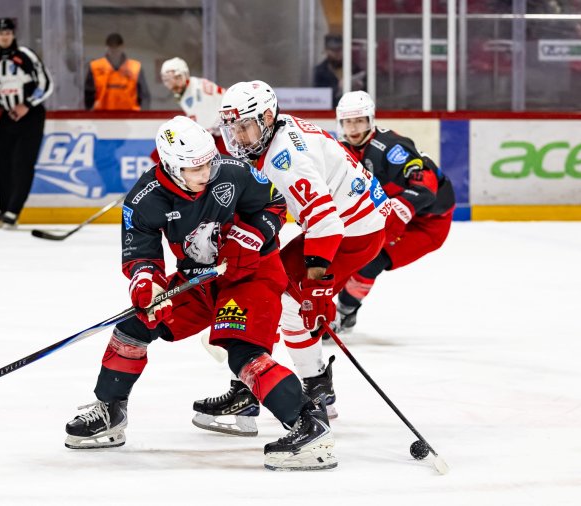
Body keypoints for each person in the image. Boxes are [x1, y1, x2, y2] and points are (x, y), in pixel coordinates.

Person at [64, 116, 337, 471]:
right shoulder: (144, 200)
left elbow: (273, 203)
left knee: (243, 353)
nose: (206, 172)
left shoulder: (231, 171)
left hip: (252, 274)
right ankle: (110, 411)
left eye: (208, 163)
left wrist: (251, 237)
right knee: (134, 326)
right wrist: (147, 284)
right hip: (199, 279)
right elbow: (140, 256)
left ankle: (308, 425)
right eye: (195, 168)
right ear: (170, 166)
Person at [191, 80, 388, 436]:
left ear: (267, 118)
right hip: (346, 222)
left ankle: (313, 389)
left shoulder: (286, 159)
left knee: (285, 302)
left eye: (245, 127)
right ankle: (260, 389)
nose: (238, 137)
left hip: (353, 231)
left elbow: (325, 222)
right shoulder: (276, 134)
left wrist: (315, 287)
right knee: (262, 289)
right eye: (233, 128)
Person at [331, 91, 456, 332]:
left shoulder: (391, 148)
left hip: (428, 223)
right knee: (344, 252)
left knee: (372, 259)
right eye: (348, 122)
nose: (353, 128)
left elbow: (425, 186)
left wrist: (397, 210)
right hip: (391, 213)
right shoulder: (340, 150)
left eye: (359, 121)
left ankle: (345, 312)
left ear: (371, 120)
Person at [0, 18, 53, 229]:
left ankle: (14, 210)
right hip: (8, 115)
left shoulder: (26, 55)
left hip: (31, 116)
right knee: (0, 161)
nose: (4, 37)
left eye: (8, 33)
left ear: (13, 35)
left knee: (22, 163)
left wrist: (27, 105)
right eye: (1, 33)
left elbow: (46, 83)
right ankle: (3, 207)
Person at [154, 57, 227, 161]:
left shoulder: (196, 95)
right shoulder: (193, 85)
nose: (173, 84)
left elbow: (205, 128)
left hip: (226, 133)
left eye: (177, 78)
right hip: (222, 130)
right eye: (168, 80)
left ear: (185, 75)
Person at [84, 33, 150, 111]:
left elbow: (144, 96)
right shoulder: (95, 67)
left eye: (116, 49)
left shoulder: (135, 67)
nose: (114, 52)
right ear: (106, 48)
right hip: (102, 115)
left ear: (122, 47)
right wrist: (90, 114)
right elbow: (88, 95)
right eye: (111, 49)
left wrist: (143, 114)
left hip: (130, 115)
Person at [313, 34, 365, 107]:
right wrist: (338, 87)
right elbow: (317, 98)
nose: (338, 54)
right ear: (326, 50)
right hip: (329, 111)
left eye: (340, 50)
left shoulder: (354, 68)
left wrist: (360, 88)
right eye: (334, 50)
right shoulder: (319, 72)